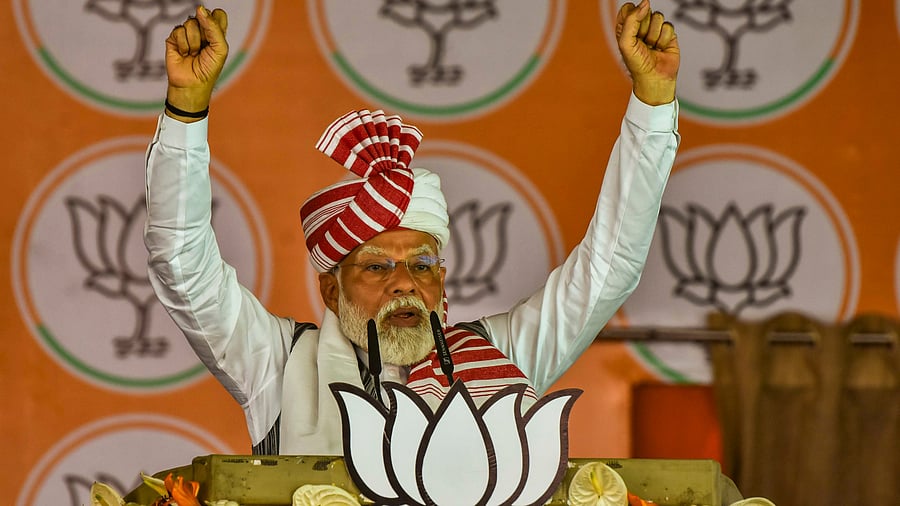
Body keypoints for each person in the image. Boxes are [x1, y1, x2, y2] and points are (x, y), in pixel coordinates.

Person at [145, 0, 680, 456]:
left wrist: (652, 105)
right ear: (331, 289)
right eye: (378, 266)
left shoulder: (500, 353)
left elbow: (609, 267)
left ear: (442, 280)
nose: (405, 284)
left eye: (421, 265)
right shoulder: (277, 365)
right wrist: (186, 112)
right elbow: (182, 265)